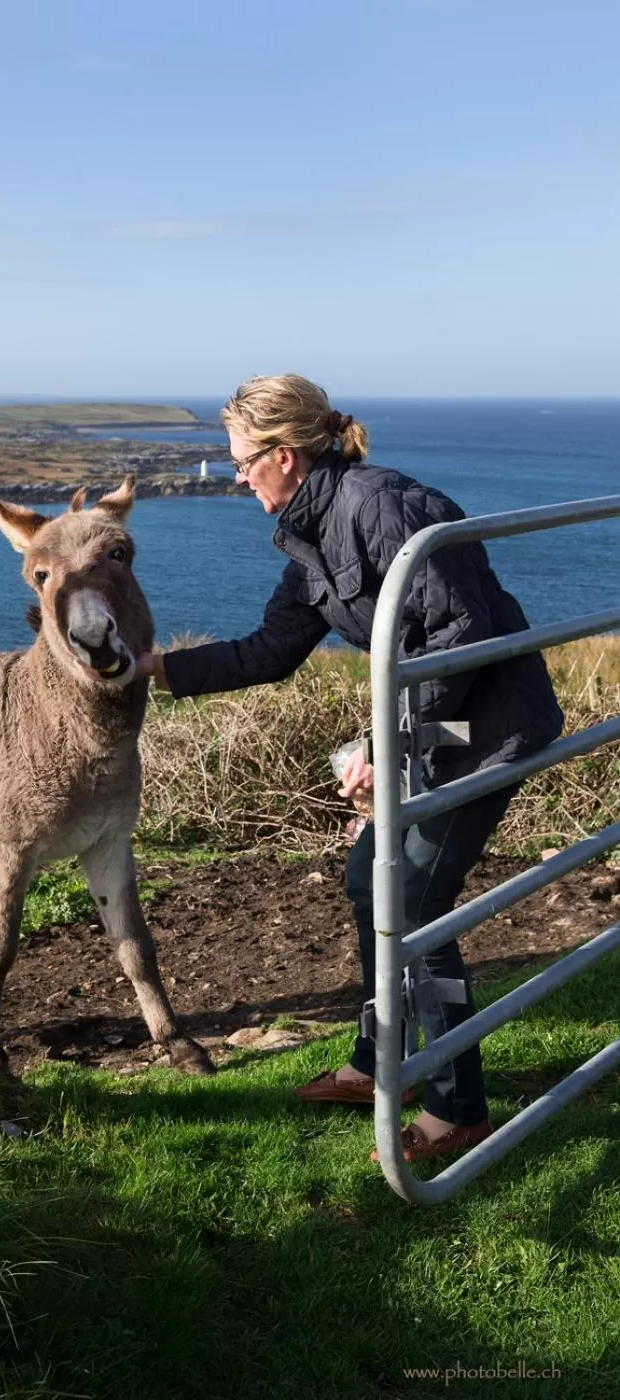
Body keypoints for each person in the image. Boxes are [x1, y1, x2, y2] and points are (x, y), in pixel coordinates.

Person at [137, 374, 563, 1164]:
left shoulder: (383, 505)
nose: (236, 477)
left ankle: (457, 1108)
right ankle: (379, 1061)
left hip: (488, 725)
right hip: (433, 723)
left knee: (415, 902)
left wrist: (386, 745)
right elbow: (272, 650)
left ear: (283, 455)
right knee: (369, 880)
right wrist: (155, 671)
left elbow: (461, 636)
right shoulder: (311, 532)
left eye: (241, 461)